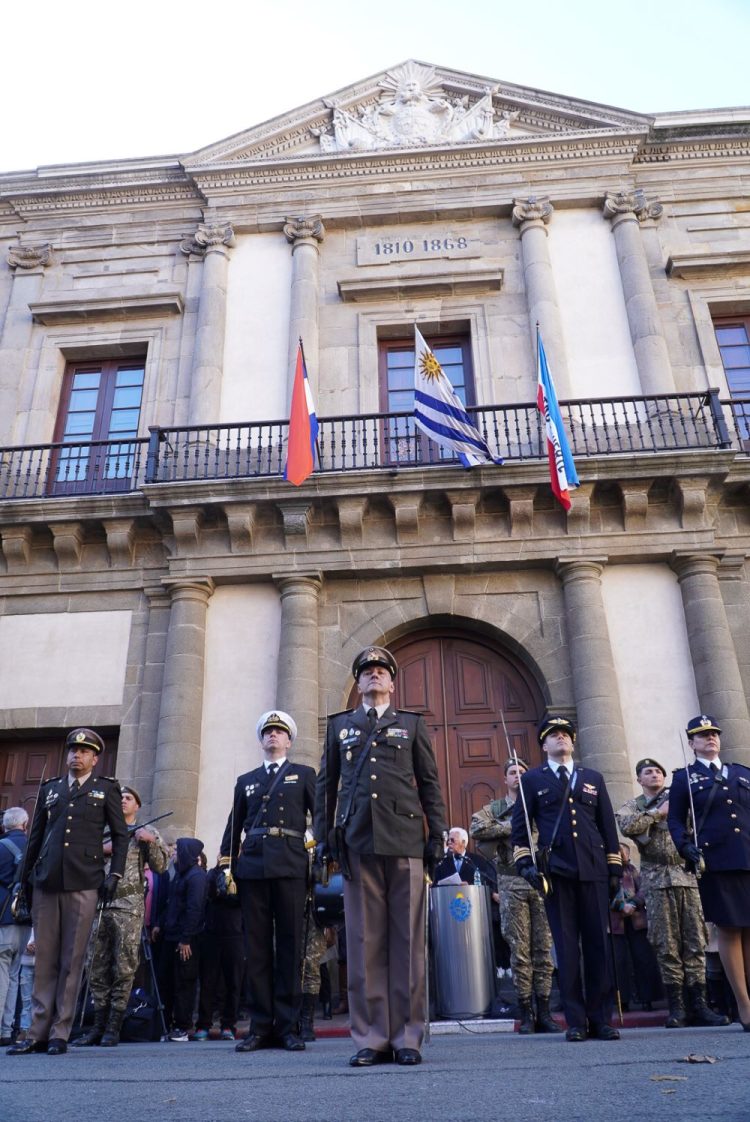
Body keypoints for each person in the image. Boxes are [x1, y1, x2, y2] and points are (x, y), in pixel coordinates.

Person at [315, 645, 448, 1067]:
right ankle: (371, 1037)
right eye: (367, 671)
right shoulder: (340, 726)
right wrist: (324, 839)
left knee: (406, 941)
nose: (374, 675)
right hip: (357, 839)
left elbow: (430, 783)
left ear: (392, 682)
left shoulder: (410, 724)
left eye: (381, 670)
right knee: (363, 940)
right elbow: (326, 786)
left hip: (405, 839)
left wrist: (437, 834)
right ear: (357, 683)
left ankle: (408, 1036)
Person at [7, 728, 128, 1056]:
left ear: (95, 758)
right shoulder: (51, 789)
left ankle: (60, 1031)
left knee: (71, 959)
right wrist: (22, 879)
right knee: (44, 958)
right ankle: (37, 1032)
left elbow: (121, 835)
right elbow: (36, 836)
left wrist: (115, 873)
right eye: (73, 750)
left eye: (84, 751)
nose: (77, 755)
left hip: (84, 881)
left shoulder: (106, 789)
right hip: (47, 880)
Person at [511, 715, 622, 1042]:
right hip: (557, 873)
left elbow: (607, 826)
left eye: (565, 734)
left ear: (573, 742)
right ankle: (575, 1021)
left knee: (598, 946)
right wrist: (525, 864)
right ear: (543, 745)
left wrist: (614, 868)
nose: (561, 738)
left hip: (594, 870)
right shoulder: (532, 780)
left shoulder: (593, 778)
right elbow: (520, 829)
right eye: (553, 735)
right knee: (567, 948)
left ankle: (600, 1019)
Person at [221, 710, 316, 1053]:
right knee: (257, 949)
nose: (273, 736)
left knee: (290, 947)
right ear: (261, 740)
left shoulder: (303, 775)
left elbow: (320, 817)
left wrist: (318, 854)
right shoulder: (246, 780)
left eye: (279, 732)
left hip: (290, 865)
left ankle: (288, 1027)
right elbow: (234, 826)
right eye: (268, 732)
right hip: (254, 868)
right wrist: (227, 867)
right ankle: (260, 1027)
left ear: (289, 741)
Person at [617, 757, 726, 1028]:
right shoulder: (633, 805)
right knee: (666, 943)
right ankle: (677, 1007)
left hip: (687, 876)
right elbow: (626, 826)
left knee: (695, 940)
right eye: (648, 772)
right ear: (639, 779)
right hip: (656, 880)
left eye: (658, 771)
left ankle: (700, 1004)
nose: (654, 775)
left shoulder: (680, 799)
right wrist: (658, 813)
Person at [668, 715, 750, 1031]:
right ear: (692, 743)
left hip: (747, 855)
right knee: (730, 928)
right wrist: (684, 846)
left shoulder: (741, 772)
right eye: (702, 735)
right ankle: (743, 1004)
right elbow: (675, 819)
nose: (710, 738)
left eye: (714, 733)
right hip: (716, 860)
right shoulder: (684, 779)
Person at [75, 784, 168, 1047]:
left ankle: (113, 1027)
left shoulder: (146, 831)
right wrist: (99, 851)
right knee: (96, 966)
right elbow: (78, 860)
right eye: (119, 798)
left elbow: (161, 867)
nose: (123, 801)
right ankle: (97, 1026)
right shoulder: (99, 831)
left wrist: (151, 842)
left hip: (128, 906)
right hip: (98, 905)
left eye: (128, 798)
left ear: (137, 805)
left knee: (124, 966)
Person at [471, 758, 559, 1034]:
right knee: (519, 949)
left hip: (541, 880)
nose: (518, 776)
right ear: (505, 779)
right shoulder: (497, 808)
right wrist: (514, 824)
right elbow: (477, 828)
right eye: (512, 772)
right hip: (510, 881)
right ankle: (526, 1011)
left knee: (543, 948)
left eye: (522, 771)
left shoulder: (541, 802)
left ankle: (545, 1010)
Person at [192, 854, 245, 1041]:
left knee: (233, 983)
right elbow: (208, 895)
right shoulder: (212, 874)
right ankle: (203, 1024)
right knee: (208, 982)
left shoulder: (242, 873)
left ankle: (228, 1025)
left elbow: (242, 899)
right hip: (212, 934)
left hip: (235, 934)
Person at [160, 837, 208, 1041]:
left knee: (184, 983)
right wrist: (159, 924)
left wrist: (186, 939)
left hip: (186, 940)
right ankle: (167, 1023)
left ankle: (182, 1026)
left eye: (178, 851)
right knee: (167, 981)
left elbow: (194, 910)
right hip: (171, 936)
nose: (174, 854)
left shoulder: (196, 877)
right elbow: (171, 903)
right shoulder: (180, 875)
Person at [608, 842, 664, 1013]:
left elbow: (644, 889)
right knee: (618, 962)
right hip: (615, 923)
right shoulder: (606, 873)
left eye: (625, 852)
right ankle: (622, 1001)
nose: (623, 855)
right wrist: (620, 906)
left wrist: (633, 903)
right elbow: (603, 894)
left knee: (643, 959)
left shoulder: (633, 870)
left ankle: (647, 998)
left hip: (636, 920)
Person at [0, 808, 31, 1045]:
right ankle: (7, 1029)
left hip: (3, 917)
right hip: (25, 917)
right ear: (26, 824)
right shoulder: (34, 847)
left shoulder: (1, 846)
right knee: (13, 975)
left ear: (4, 826)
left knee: (1, 974)